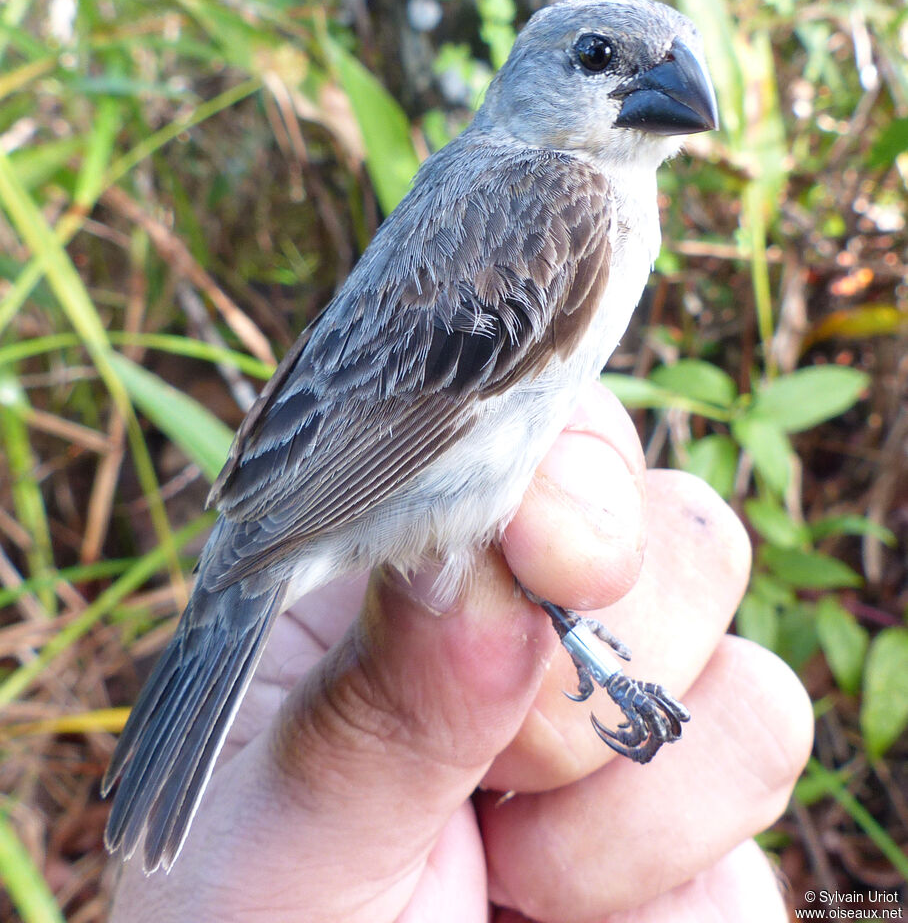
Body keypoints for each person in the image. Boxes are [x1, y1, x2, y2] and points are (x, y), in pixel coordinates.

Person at [108, 383, 813, 921]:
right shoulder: (552, 209)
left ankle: (579, 647)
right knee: (507, 562)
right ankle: (583, 650)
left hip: (322, 493)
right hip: (338, 500)